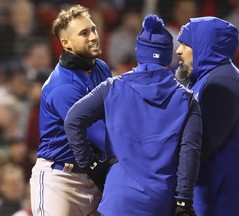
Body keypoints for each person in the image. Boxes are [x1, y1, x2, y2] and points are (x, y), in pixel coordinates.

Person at [64, 14, 202, 216]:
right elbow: (189, 153)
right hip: (160, 202)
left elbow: (73, 120)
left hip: (117, 200)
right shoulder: (188, 100)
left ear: (139, 51)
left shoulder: (112, 87)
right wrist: (183, 200)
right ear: (168, 55)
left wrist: (91, 165)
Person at [175, 16, 239, 215]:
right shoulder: (210, 78)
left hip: (233, 205)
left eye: (186, 44)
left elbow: (199, 146)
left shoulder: (224, 83)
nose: (178, 50)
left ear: (204, 46)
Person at [29, 5, 112, 216]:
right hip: (60, 181)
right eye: (84, 33)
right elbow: (99, 135)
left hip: (93, 176)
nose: (93, 36)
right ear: (66, 44)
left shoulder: (100, 67)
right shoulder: (63, 86)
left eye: (93, 29)